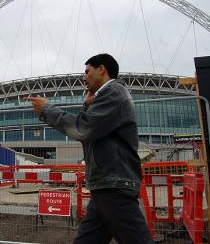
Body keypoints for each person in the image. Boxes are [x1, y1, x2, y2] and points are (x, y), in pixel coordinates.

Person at [25, 53, 154, 244]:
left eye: (87, 71)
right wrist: (86, 106)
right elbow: (89, 136)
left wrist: (47, 110)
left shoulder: (114, 92)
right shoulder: (107, 96)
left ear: (101, 69)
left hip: (113, 185)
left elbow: (83, 129)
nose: (84, 77)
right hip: (106, 185)